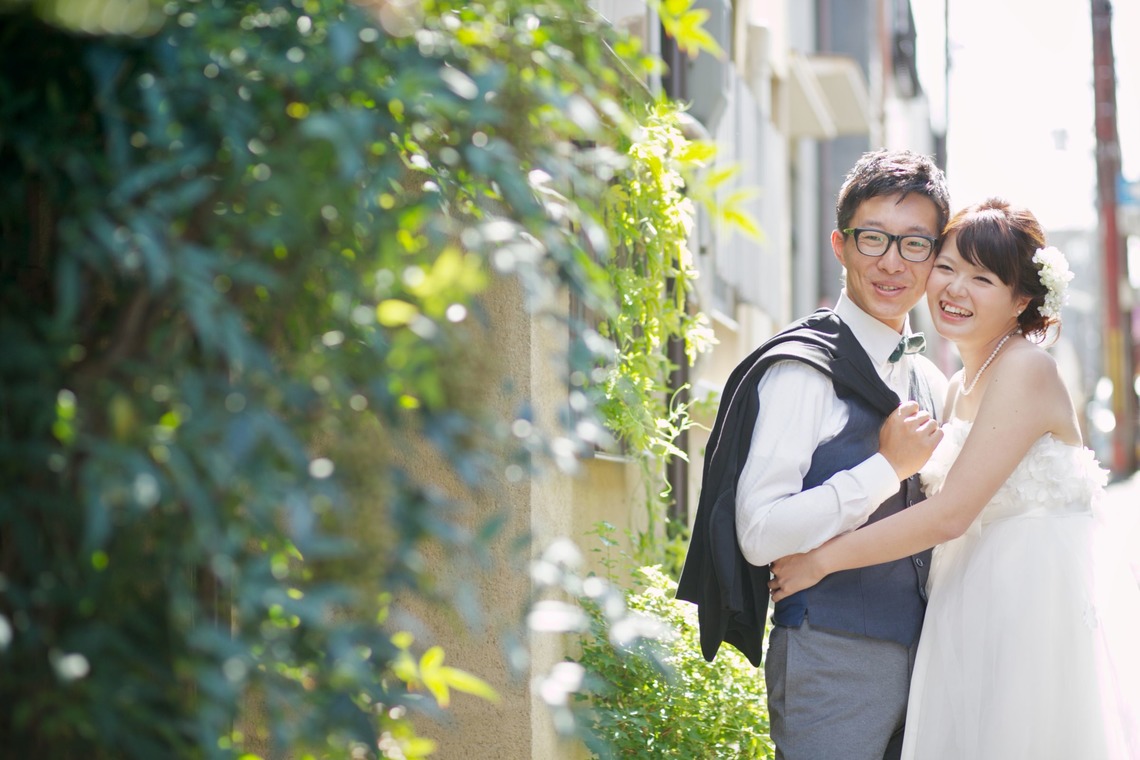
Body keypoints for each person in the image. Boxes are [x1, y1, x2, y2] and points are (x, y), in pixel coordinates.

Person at [769, 198, 1140, 758]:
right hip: (967, 603)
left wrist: (820, 560)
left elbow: (950, 514)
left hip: (1030, 606)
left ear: (1021, 300)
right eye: (946, 267)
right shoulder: (956, 386)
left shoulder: (1027, 367)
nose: (955, 289)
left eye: (982, 278)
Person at [676, 148, 950, 760]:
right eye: (873, 238)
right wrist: (886, 469)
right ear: (839, 245)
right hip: (832, 657)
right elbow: (758, 533)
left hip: (934, 658)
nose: (892, 262)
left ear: (935, 257)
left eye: (915, 244)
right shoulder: (802, 371)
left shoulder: (929, 378)